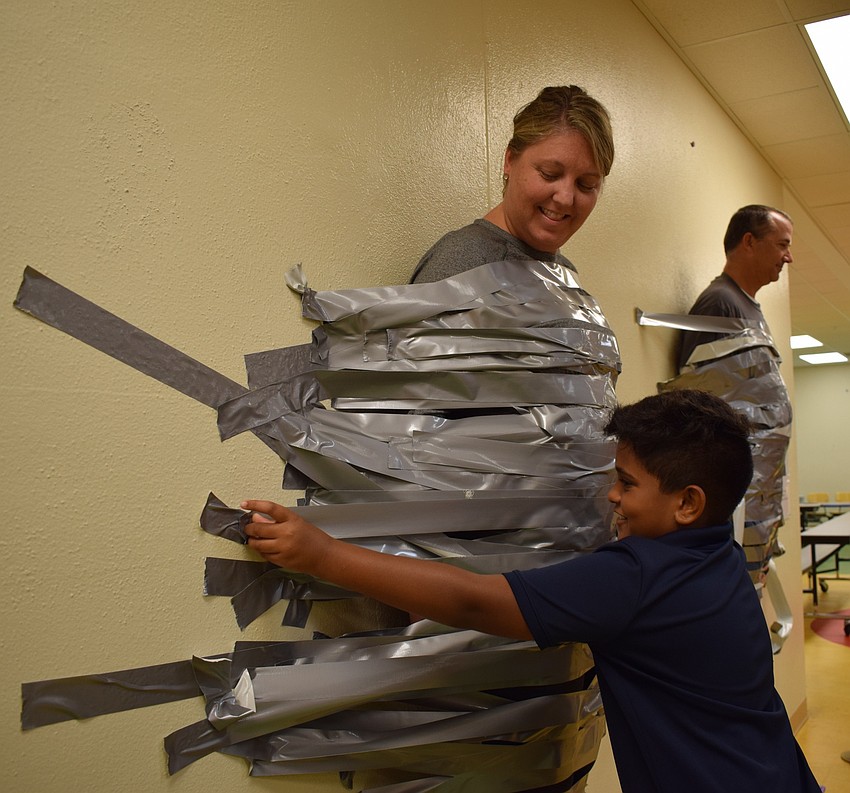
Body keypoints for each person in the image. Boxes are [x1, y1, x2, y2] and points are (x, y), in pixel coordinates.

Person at [241, 388, 820, 793]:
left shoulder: (637, 577)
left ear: (688, 502)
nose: (612, 496)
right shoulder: (718, 552)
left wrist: (324, 554)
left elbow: (474, 600)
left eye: (627, 483)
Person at [410, 85, 614, 285]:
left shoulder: (564, 272)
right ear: (510, 160)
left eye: (586, 184)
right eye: (549, 174)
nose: (565, 197)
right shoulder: (462, 268)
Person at [675, 204, 793, 370]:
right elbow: (695, 388)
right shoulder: (720, 303)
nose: (789, 257)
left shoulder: (746, 306)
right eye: (782, 245)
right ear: (749, 242)